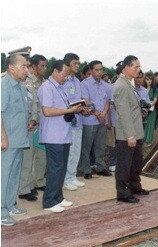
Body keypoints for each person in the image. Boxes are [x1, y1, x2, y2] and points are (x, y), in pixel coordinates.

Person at [38, 60, 83, 213]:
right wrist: (70, 111)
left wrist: (73, 108)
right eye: (64, 75)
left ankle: (58, 197)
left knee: (62, 168)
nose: (66, 78)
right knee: (55, 169)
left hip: (63, 134)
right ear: (55, 72)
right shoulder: (47, 87)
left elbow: (63, 107)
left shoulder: (60, 87)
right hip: (53, 135)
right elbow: (48, 111)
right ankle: (49, 201)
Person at [113, 55, 149, 204]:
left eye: (139, 67)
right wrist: (130, 136)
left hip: (136, 131)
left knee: (135, 163)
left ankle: (135, 186)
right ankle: (123, 192)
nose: (138, 70)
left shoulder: (129, 83)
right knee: (124, 165)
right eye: (135, 67)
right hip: (127, 134)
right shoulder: (121, 86)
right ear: (126, 67)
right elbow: (124, 113)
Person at [1, 54, 30, 226]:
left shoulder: (19, 85)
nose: (27, 70)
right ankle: (1, 211)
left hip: (19, 138)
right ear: (12, 68)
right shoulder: (4, 86)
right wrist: (2, 137)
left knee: (13, 175)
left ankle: (10, 205)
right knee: (3, 176)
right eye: (24, 66)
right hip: (8, 140)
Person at [18, 54, 48, 202]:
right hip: (31, 124)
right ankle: (25, 187)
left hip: (43, 124)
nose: (44, 68)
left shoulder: (46, 82)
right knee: (28, 158)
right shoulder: (27, 82)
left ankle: (39, 181)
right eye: (42, 65)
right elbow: (31, 104)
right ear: (34, 67)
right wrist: (33, 120)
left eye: (46, 66)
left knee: (42, 157)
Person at [80, 60, 112, 179]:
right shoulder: (85, 84)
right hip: (90, 119)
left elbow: (108, 101)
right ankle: (86, 169)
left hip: (102, 120)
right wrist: (98, 114)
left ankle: (100, 167)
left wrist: (103, 114)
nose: (99, 72)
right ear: (91, 71)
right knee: (87, 146)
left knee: (100, 145)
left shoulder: (106, 85)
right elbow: (86, 101)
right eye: (96, 70)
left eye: (101, 70)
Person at [62, 53, 86, 191]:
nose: (77, 65)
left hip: (79, 120)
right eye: (75, 63)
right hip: (68, 121)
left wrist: (83, 106)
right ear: (67, 64)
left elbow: (79, 98)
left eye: (78, 63)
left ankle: (72, 176)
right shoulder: (63, 80)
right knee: (69, 151)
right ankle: (65, 179)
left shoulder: (77, 81)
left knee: (76, 150)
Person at [142, 72, 158, 144]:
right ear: (144, 80)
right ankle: (142, 141)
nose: (149, 81)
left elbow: (155, 100)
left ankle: (148, 141)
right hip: (142, 110)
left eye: (150, 79)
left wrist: (148, 107)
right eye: (147, 79)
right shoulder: (141, 89)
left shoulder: (155, 89)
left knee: (150, 125)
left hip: (151, 110)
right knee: (143, 125)